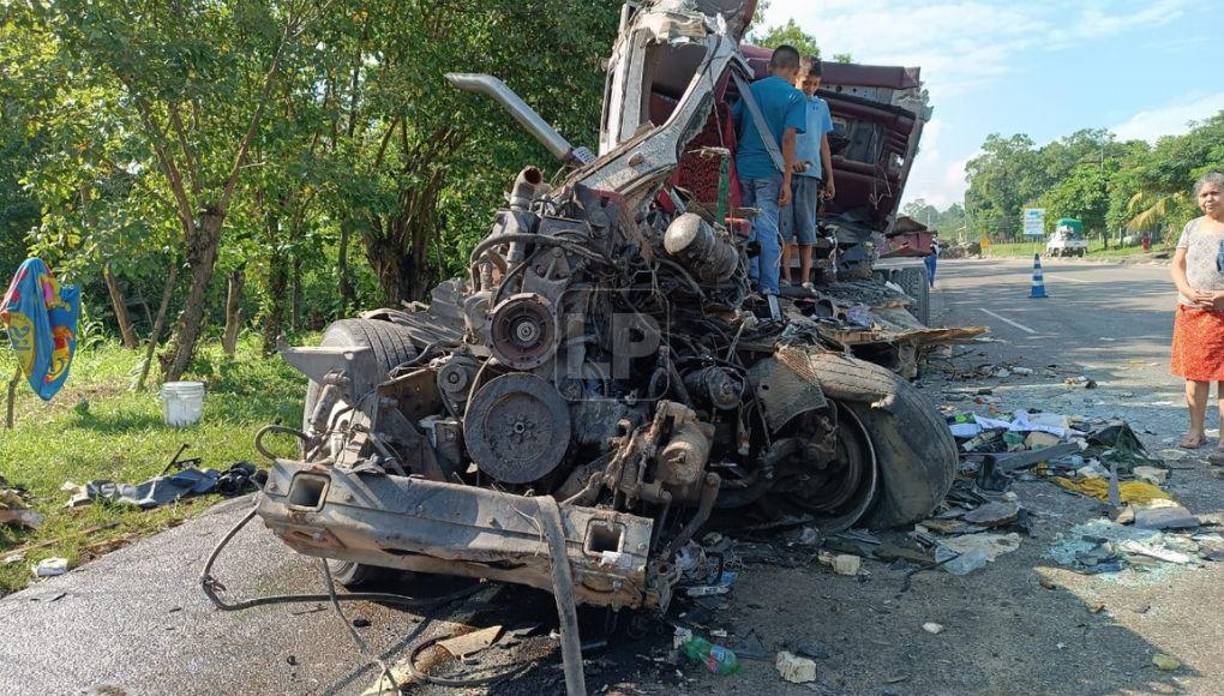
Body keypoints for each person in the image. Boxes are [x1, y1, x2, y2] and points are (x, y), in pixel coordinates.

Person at [732, 45, 806, 297]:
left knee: (746, 227)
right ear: (796, 72)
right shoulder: (796, 97)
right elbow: (788, 139)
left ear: (769, 67)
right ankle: (768, 288)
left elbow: (733, 124)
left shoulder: (751, 91)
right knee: (767, 228)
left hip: (743, 168)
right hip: (769, 172)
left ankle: (749, 280)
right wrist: (787, 181)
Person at [1169, 171, 1224, 459]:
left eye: (1214, 192)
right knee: (1195, 375)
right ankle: (1196, 430)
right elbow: (1177, 264)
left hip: (1222, 312)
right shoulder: (1192, 227)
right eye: (1203, 195)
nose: (1209, 198)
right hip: (1192, 311)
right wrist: (1187, 290)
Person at [780, 56, 835, 288]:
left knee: (806, 229)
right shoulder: (786, 101)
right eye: (807, 83)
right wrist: (790, 164)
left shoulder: (820, 106)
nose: (811, 88)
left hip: (811, 175)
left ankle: (804, 280)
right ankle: (785, 278)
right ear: (796, 78)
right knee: (784, 229)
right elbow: (780, 137)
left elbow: (823, 143)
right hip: (785, 173)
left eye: (815, 84)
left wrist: (829, 176)